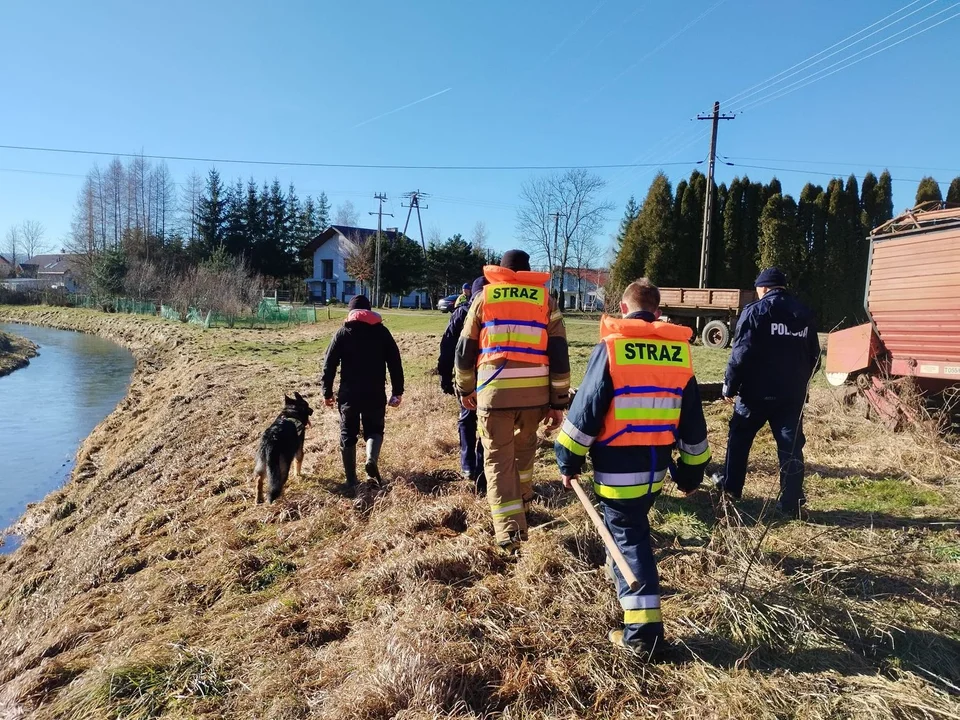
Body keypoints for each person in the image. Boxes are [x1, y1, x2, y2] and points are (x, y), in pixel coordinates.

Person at [555, 278, 711, 654]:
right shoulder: (679, 354)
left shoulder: (613, 348)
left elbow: (587, 411)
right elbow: (693, 423)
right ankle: (619, 579)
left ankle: (643, 637)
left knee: (629, 540)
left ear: (623, 309)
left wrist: (567, 457)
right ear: (657, 313)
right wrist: (691, 472)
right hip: (655, 470)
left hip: (617, 469)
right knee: (629, 528)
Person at [455, 249, 570, 554]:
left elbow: (464, 348)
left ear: (500, 270)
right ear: (528, 271)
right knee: (524, 453)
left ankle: (510, 530)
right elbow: (559, 353)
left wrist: (464, 388)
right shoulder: (545, 300)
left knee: (497, 459)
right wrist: (558, 402)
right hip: (534, 397)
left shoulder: (485, 298)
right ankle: (525, 504)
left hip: (494, 395)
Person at [712, 267, 821, 517]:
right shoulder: (803, 312)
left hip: (755, 395)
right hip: (791, 397)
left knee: (739, 440)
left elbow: (740, 353)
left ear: (763, 288)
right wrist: (800, 382)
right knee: (790, 448)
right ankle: (791, 502)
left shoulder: (755, 311)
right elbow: (815, 357)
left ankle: (731, 490)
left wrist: (730, 385)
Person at [321, 295, 404, 490]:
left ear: (351, 313)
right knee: (374, 430)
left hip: (349, 394)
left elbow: (329, 364)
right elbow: (395, 363)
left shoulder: (343, 333)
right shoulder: (382, 332)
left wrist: (327, 392)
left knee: (347, 433)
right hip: (374, 393)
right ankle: (370, 459)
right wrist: (397, 391)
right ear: (370, 311)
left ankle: (351, 480)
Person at [438, 275, 488, 493]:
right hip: (491, 376)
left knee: (467, 418)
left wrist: (445, 377)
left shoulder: (462, 312)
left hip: (466, 375)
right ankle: (482, 465)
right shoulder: (496, 313)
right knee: (488, 422)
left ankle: (468, 465)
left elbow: (448, 346)